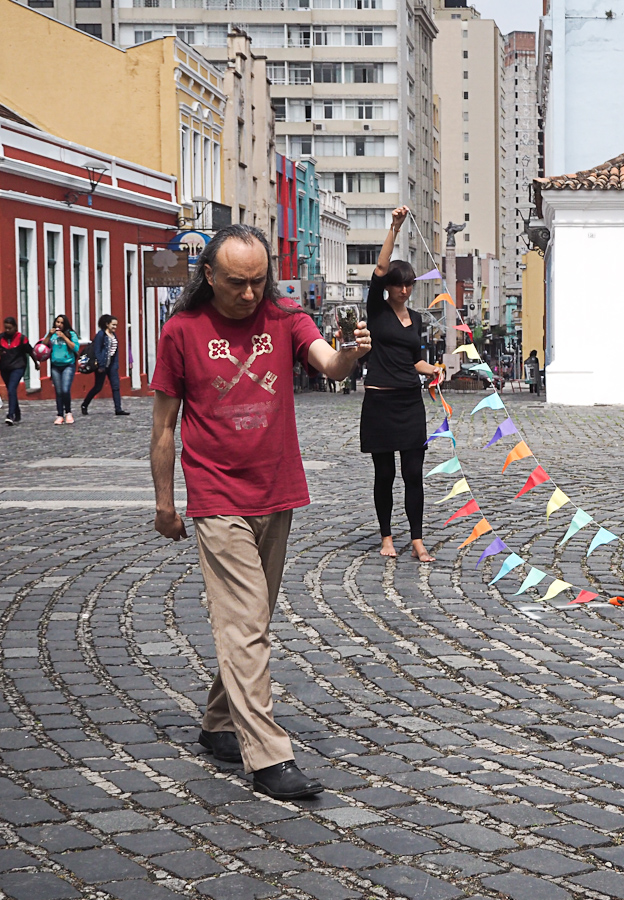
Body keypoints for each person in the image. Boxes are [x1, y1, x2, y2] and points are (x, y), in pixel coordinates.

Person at [149, 224, 371, 800]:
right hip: (216, 493)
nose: (249, 294)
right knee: (246, 622)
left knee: (254, 618)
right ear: (208, 275)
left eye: (258, 280)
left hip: (276, 489)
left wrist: (349, 353)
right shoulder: (181, 331)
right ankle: (269, 756)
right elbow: (164, 428)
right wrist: (165, 503)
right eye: (236, 283)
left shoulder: (285, 316)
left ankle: (220, 722)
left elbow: (329, 365)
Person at [363, 206, 442, 562]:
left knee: (413, 474)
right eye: (399, 284)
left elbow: (415, 361)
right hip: (380, 403)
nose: (405, 290)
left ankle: (417, 540)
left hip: (410, 403)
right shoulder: (376, 310)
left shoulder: (416, 319)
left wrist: (434, 370)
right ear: (388, 287)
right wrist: (394, 228)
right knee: (385, 474)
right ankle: (386, 537)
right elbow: (380, 268)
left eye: (409, 284)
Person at [81, 314, 127, 416]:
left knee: (116, 386)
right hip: (102, 365)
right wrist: (101, 365)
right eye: (113, 325)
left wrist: (115, 365)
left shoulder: (114, 336)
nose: (115, 327)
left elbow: (115, 352)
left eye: (116, 325)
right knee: (98, 387)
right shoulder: (101, 335)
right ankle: (84, 404)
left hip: (112, 365)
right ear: (107, 324)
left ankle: (118, 409)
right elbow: (97, 350)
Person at [45, 315, 80, 425]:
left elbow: (75, 347)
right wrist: (49, 335)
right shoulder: (52, 334)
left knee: (65, 389)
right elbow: (43, 346)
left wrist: (64, 337)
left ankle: (68, 412)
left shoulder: (71, 334)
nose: (59, 325)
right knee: (58, 391)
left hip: (68, 365)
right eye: (57, 322)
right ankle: (60, 414)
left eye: (61, 323)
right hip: (55, 365)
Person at [1, 318, 34, 426]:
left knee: (11, 388)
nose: (7, 330)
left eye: (9, 328)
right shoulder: (1, 338)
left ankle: (10, 415)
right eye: (6, 328)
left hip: (18, 367)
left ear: (15, 327)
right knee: (11, 390)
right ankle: (17, 412)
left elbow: (30, 351)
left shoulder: (21, 338)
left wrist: (36, 363)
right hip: (5, 368)